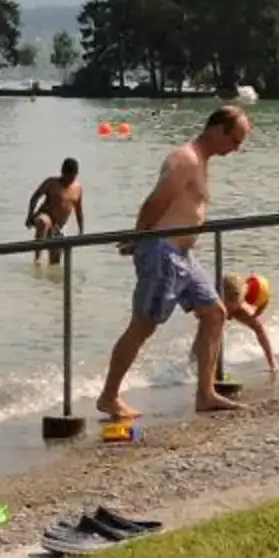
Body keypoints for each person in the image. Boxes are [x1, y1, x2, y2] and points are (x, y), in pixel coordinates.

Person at [96, 106, 251, 418]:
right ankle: (109, 396)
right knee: (143, 325)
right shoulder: (186, 159)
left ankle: (205, 394)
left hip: (183, 254)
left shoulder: (201, 162)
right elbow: (156, 202)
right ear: (217, 129)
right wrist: (139, 239)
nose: (237, 148)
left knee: (215, 313)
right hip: (162, 251)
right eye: (235, 140)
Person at [24, 158, 84, 268]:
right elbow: (35, 197)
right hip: (46, 216)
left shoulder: (78, 188)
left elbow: (79, 210)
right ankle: (37, 259)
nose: (68, 180)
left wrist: (81, 231)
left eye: (72, 177)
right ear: (62, 172)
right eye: (66, 176)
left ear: (76, 174)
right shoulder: (51, 183)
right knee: (43, 222)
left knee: (55, 264)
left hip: (59, 227)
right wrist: (29, 216)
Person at [216, 273, 278, 374]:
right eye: (227, 302)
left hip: (239, 303)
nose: (229, 307)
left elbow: (266, 299)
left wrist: (257, 313)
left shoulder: (243, 303)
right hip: (220, 303)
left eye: (232, 303)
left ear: (240, 299)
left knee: (258, 327)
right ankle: (196, 360)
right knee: (209, 331)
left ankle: (273, 361)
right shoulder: (217, 300)